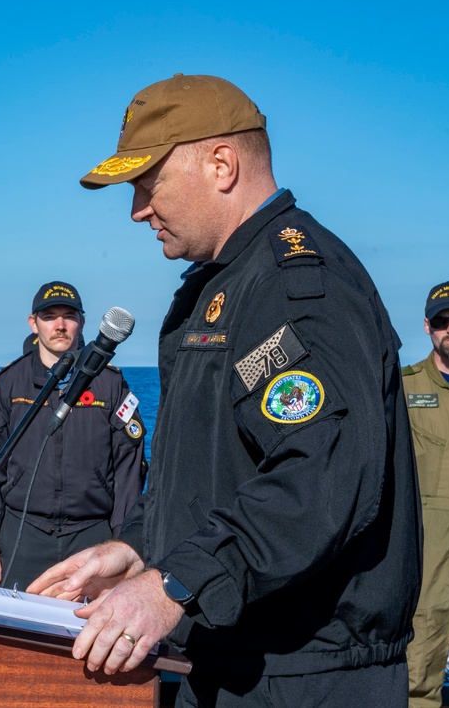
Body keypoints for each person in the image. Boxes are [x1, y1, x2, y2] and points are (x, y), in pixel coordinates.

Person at [26, 74, 422, 705]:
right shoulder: (220, 287)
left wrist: (173, 584)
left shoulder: (297, 288)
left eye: (146, 185)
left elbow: (322, 476)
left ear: (221, 163)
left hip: (303, 675)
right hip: (225, 655)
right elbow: (211, 475)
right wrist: (138, 551)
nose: (137, 211)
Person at [0, 281, 147, 591]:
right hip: (23, 535)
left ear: (82, 322)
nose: (60, 325)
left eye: (69, 316)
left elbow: (128, 469)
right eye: (49, 316)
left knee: (90, 634)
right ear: (33, 323)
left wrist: (125, 543)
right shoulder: (9, 383)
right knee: (14, 635)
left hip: (93, 535)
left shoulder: (110, 384)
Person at [404, 281, 449, 707]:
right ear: (428, 327)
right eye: (443, 321)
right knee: (419, 673)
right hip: (429, 553)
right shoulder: (401, 390)